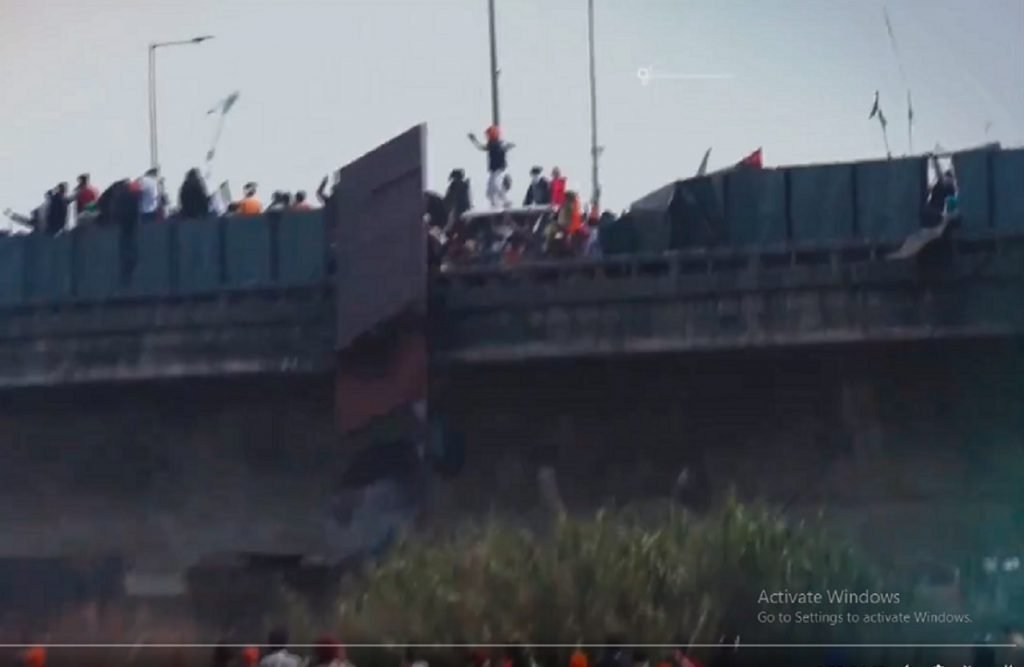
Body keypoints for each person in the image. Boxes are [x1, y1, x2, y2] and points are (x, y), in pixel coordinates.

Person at [468, 125, 514, 209]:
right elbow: (483, 147)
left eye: (488, 135)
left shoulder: (498, 144)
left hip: (499, 170)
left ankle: (506, 201)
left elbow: (483, 147)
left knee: (496, 186)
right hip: (494, 171)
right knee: (489, 191)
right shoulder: (493, 144)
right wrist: (474, 140)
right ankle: (495, 204)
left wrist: (474, 140)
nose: (487, 137)